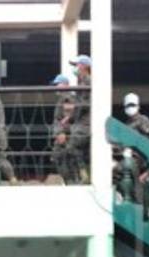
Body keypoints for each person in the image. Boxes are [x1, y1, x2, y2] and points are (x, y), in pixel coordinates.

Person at [65, 55, 93, 184]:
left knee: (71, 147)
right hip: (81, 123)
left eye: (77, 65)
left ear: (85, 66)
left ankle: (83, 174)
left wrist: (71, 115)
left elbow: (84, 105)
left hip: (85, 123)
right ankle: (83, 176)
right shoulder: (82, 82)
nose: (75, 68)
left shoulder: (88, 82)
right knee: (81, 151)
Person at [50, 74, 80, 183]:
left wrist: (61, 132)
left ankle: (72, 182)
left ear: (65, 84)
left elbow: (66, 119)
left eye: (58, 84)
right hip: (64, 135)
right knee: (62, 160)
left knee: (65, 160)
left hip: (65, 136)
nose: (56, 87)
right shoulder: (63, 99)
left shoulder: (67, 98)